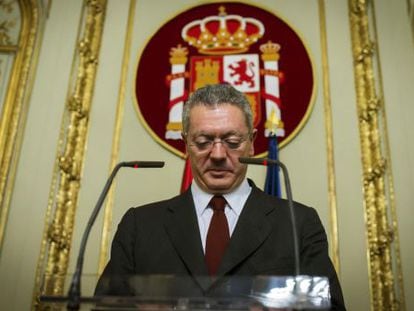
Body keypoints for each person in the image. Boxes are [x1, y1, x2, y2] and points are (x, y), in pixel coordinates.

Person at [95, 83, 346, 310]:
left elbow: (330, 307)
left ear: (252, 143)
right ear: (186, 144)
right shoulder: (139, 225)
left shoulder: (298, 223)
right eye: (203, 141)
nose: (217, 154)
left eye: (232, 141)